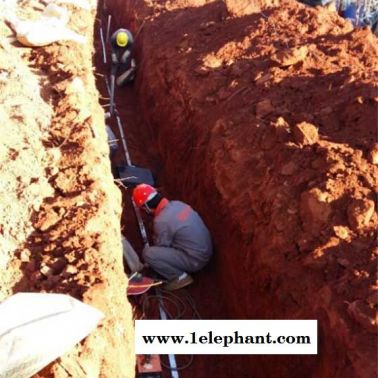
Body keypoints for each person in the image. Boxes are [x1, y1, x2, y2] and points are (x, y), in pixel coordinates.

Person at [132, 184, 213, 291]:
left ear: (146, 207)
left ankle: (179, 277)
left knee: (149, 254)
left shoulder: (161, 221)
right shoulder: (178, 204)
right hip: (206, 250)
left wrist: (155, 232)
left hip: (195, 261)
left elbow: (161, 246)